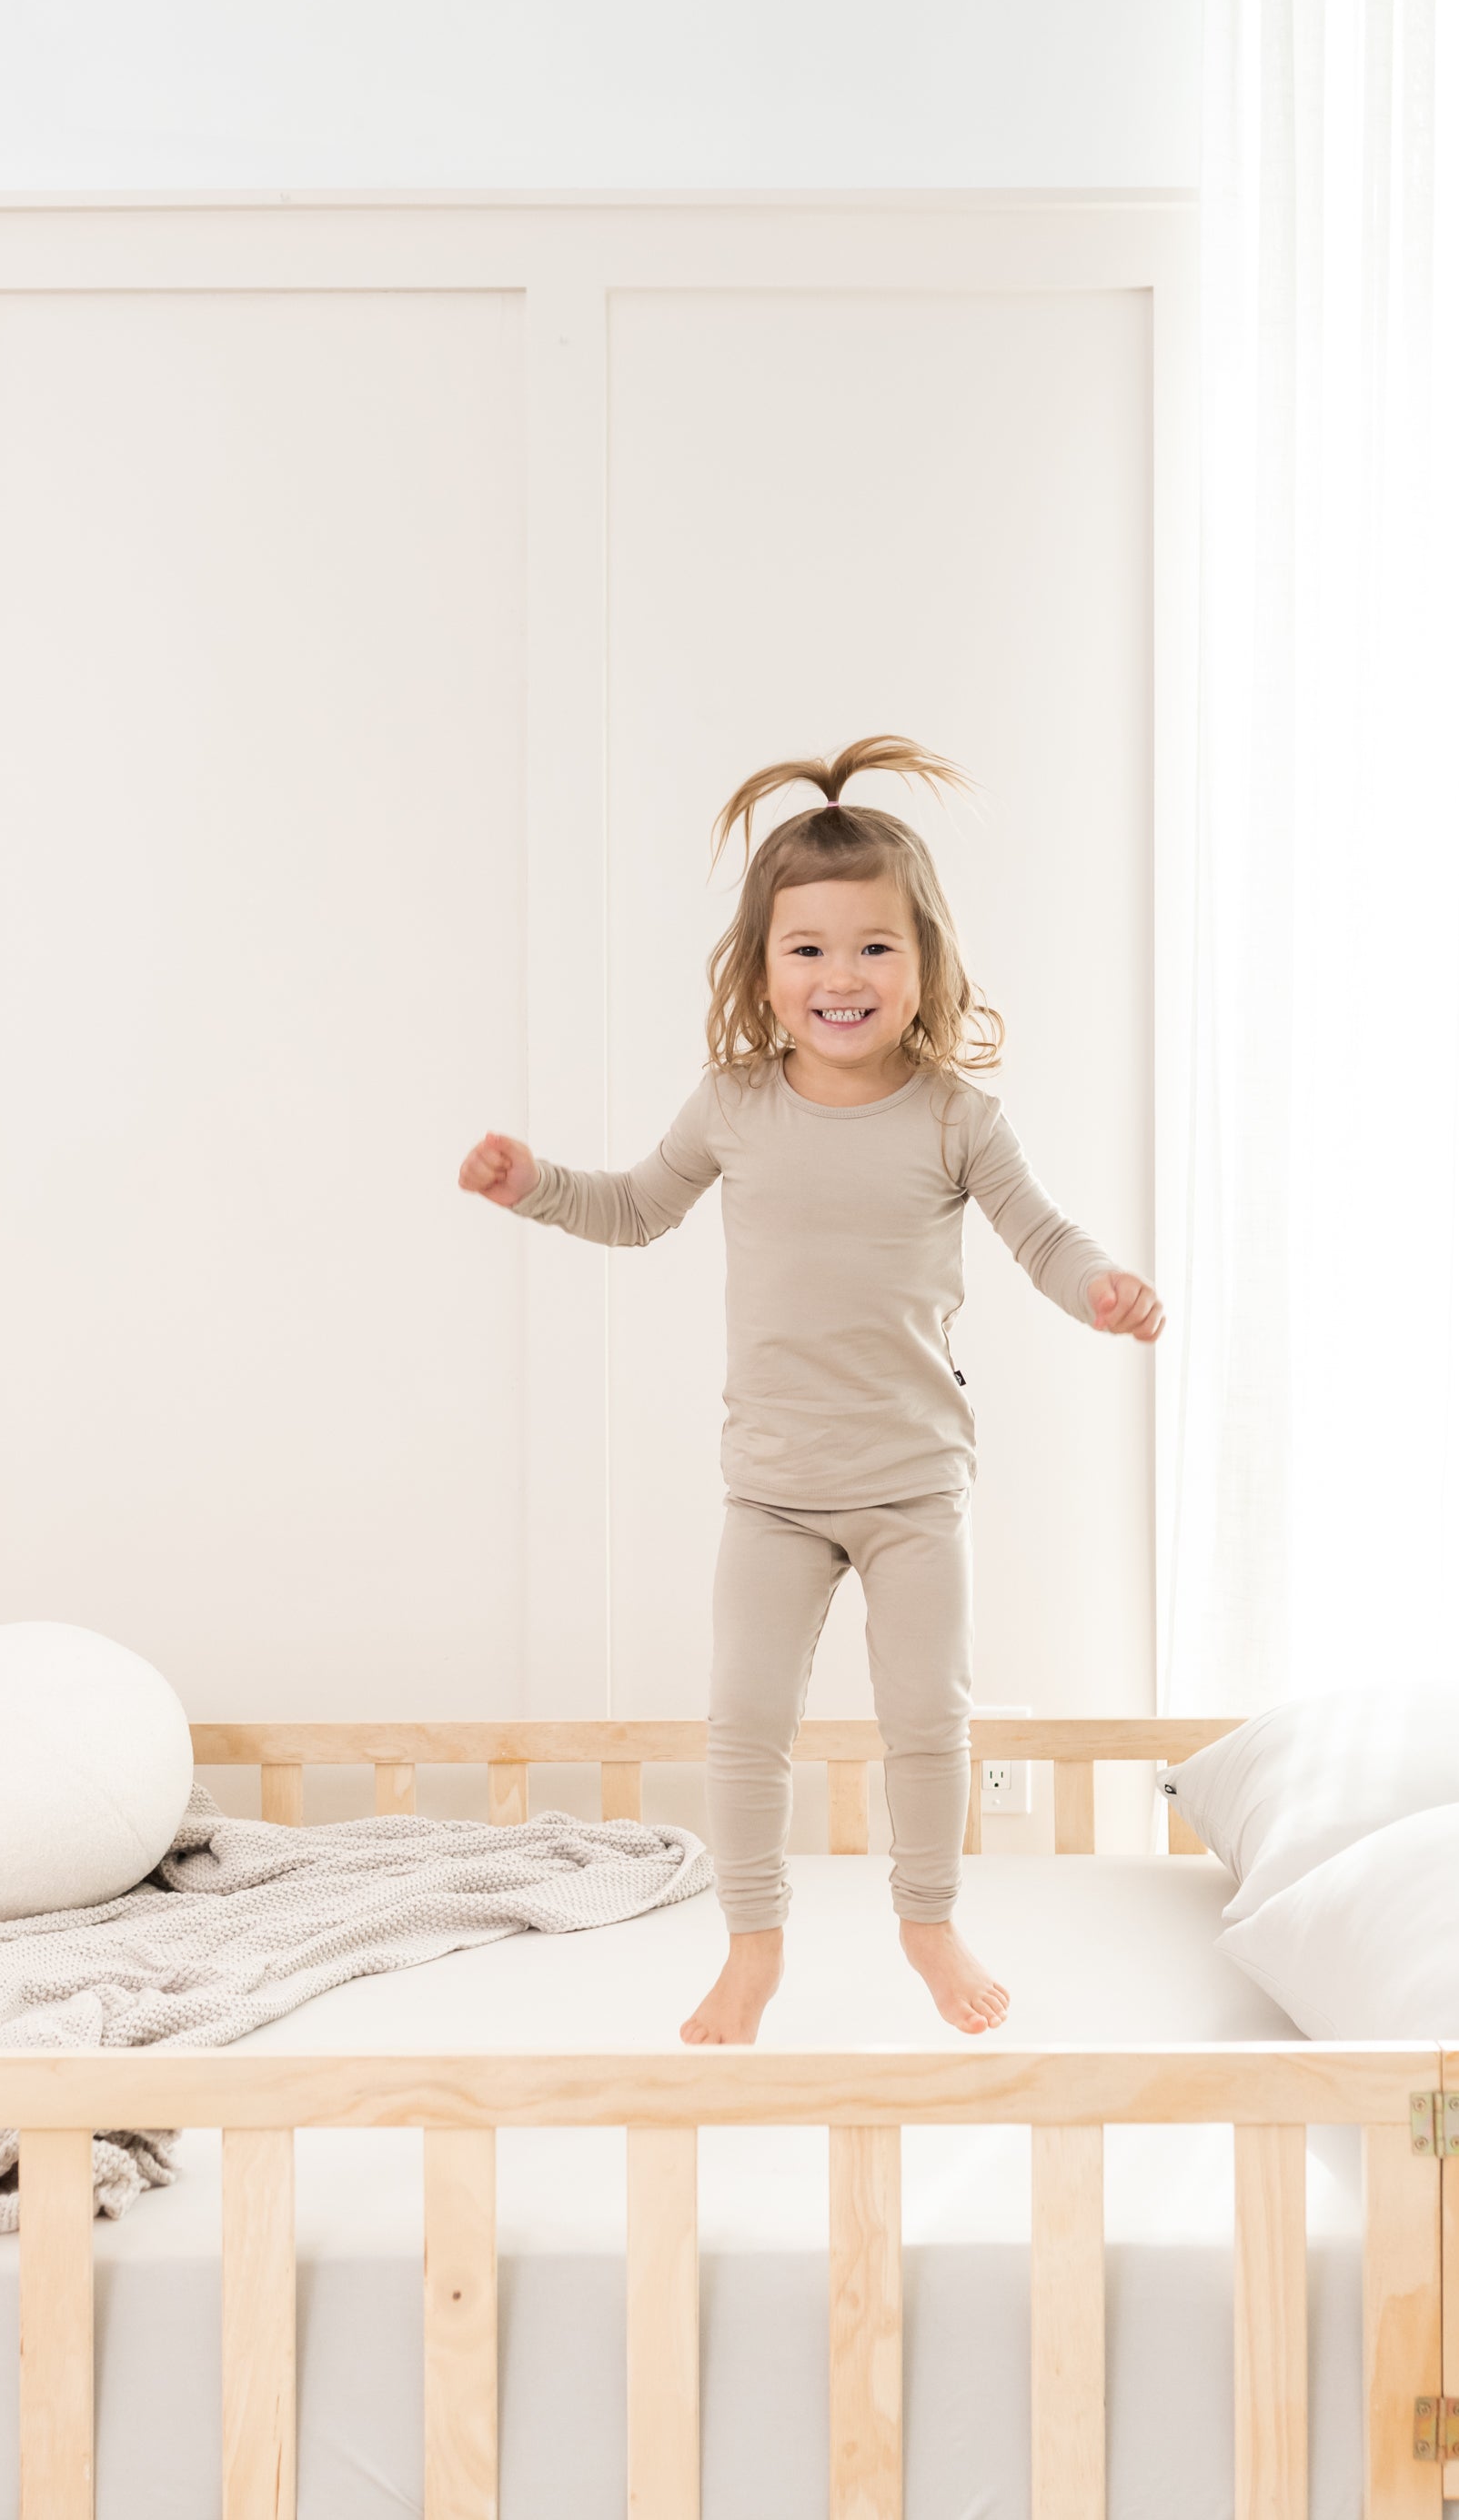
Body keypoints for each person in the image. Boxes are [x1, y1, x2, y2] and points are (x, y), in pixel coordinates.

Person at [458, 737, 1163, 2044]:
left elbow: (1045, 1240)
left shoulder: (958, 1120)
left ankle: (930, 1919)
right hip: (773, 1495)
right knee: (745, 1726)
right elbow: (633, 1211)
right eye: (810, 950)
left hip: (914, 1491)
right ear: (762, 969)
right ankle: (751, 1947)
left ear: (925, 965)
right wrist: (535, 1185)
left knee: (925, 1722)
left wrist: (1103, 1288)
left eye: (875, 949)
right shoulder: (733, 1105)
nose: (843, 977)